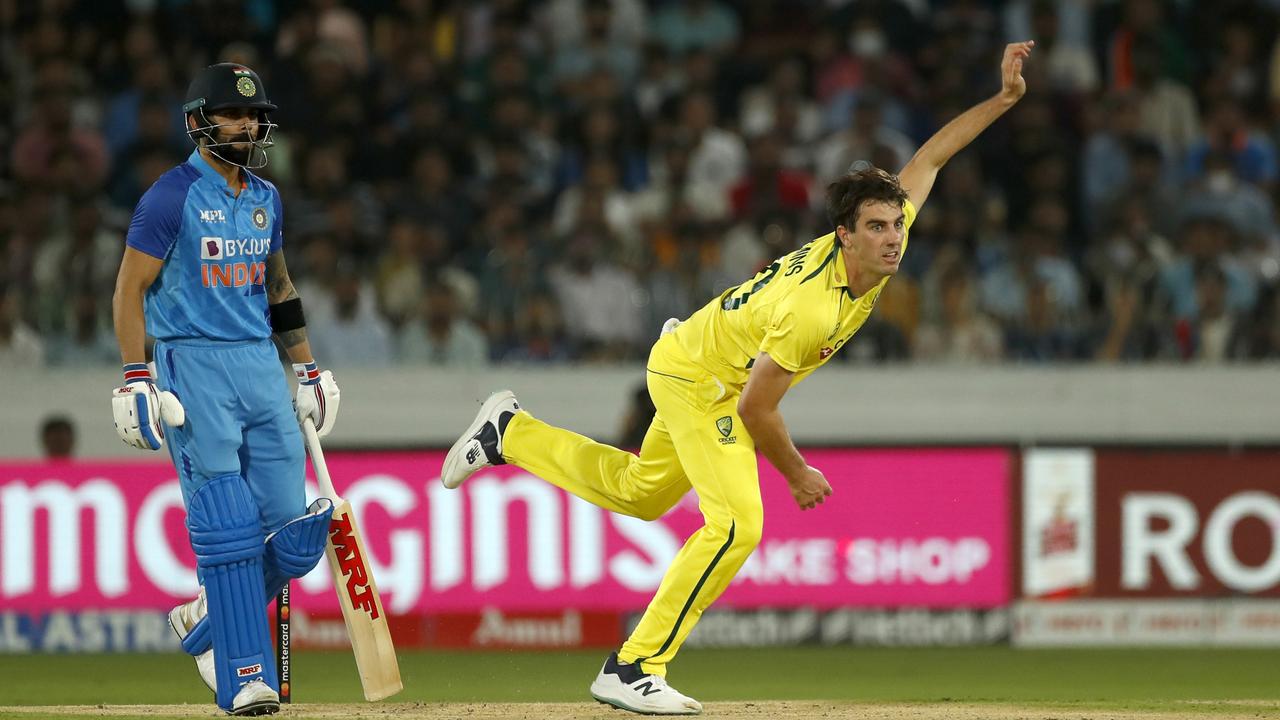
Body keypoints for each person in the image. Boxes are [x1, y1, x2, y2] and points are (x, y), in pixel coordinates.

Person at [440, 42, 1035, 716]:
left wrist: (1005, 99)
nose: (894, 237)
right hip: (703, 379)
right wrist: (798, 473)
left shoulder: (872, 252)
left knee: (639, 494)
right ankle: (634, 665)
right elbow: (757, 412)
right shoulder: (810, 310)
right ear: (845, 235)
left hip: (692, 355)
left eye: (897, 224)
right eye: (877, 227)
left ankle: (508, 431)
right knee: (737, 526)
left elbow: (929, 158)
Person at [110, 63, 340, 717]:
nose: (247, 124)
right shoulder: (169, 196)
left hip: (260, 367)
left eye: (254, 114)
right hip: (195, 366)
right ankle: (245, 676)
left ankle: (204, 621)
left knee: (293, 537)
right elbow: (128, 289)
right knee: (229, 528)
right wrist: (136, 375)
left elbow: (280, 291)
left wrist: (309, 369)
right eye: (232, 114)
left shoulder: (267, 198)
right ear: (197, 122)